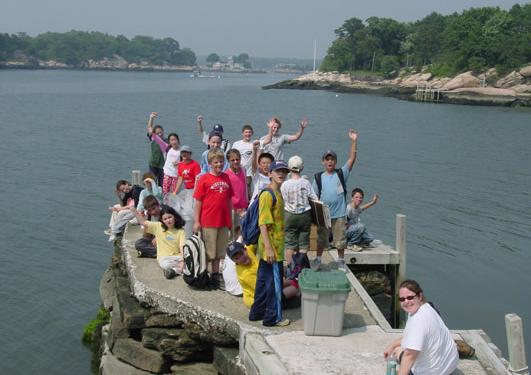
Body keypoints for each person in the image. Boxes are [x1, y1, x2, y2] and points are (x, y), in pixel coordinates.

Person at [383, 280, 459, 375]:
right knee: (397, 349)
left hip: (434, 372)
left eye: (410, 297)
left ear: (420, 296)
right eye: (402, 299)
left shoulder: (418, 320)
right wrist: (392, 345)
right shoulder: (427, 307)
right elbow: (412, 337)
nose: (406, 302)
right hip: (449, 364)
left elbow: (410, 356)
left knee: (398, 352)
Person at [248, 160, 290, 327]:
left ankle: (256, 312)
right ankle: (272, 318)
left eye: (284, 171)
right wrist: (269, 248)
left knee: (263, 282)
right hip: (271, 248)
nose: (281, 174)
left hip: (274, 246)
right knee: (274, 285)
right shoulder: (268, 194)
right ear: (270, 173)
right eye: (277, 171)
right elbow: (263, 223)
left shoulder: (277, 193)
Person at [311, 129, 358, 270]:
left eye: (332, 159)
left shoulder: (341, 173)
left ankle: (341, 261)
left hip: (339, 214)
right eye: (327, 159)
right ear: (323, 162)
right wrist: (314, 215)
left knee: (340, 240)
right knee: (321, 239)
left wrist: (354, 141)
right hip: (324, 214)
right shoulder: (318, 177)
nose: (330, 161)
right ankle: (318, 259)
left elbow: (352, 159)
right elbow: (313, 197)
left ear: (336, 161)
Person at [193, 148, 234, 290]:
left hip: (223, 221)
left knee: (219, 252)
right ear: (210, 163)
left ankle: (216, 276)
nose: (219, 164)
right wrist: (197, 221)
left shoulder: (226, 177)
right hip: (208, 222)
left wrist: (230, 220)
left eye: (221, 162)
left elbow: (229, 200)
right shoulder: (204, 179)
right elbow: (198, 201)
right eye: (216, 162)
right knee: (209, 252)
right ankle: (205, 275)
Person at [227, 241, 299, 309]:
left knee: (291, 287)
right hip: (257, 298)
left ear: (245, 250)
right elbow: (264, 289)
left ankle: (281, 302)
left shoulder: (249, 250)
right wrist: (289, 282)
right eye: (237, 258)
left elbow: (254, 240)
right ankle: (274, 306)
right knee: (293, 289)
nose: (241, 258)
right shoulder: (245, 275)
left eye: (241, 254)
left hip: (266, 284)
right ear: (234, 261)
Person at [131, 205, 186, 280]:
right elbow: (143, 222)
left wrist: (182, 260)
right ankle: (180, 269)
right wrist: (134, 210)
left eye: (170, 217)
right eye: (165, 219)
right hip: (165, 258)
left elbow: (182, 246)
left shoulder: (180, 230)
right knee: (165, 264)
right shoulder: (158, 226)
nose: (168, 220)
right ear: (162, 220)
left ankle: (174, 271)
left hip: (177, 256)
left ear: (175, 217)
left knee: (190, 260)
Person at [280, 155, 317, 264]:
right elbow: (314, 198)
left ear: (289, 168)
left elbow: (283, 200)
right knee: (304, 243)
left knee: (290, 244)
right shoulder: (306, 183)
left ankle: (291, 270)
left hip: (289, 215)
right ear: (302, 168)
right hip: (304, 215)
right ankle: (301, 268)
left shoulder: (285, 184)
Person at [233, 124, 272, 199]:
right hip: (238, 169)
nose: (248, 134)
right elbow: (232, 156)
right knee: (238, 186)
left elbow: (268, 140)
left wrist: (270, 128)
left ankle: (249, 201)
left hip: (250, 170)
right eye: (246, 132)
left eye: (249, 132)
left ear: (252, 133)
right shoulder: (236, 144)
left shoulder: (255, 142)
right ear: (242, 133)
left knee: (248, 186)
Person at [225, 148, 249, 240]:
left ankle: (239, 250)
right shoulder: (226, 174)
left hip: (243, 207)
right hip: (232, 208)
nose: (235, 162)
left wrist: (246, 202)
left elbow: (245, 188)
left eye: (237, 159)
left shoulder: (243, 170)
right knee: (230, 231)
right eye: (232, 160)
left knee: (241, 231)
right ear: (228, 161)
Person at [146, 112, 165, 186]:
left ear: (163, 132)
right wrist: (151, 118)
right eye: (158, 133)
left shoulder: (166, 141)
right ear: (154, 134)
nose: (160, 134)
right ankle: (153, 196)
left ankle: (161, 197)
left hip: (162, 165)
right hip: (153, 164)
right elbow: (149, 127)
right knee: (153, 182)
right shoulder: (153, 138)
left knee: (161, 184)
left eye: (161, 132)